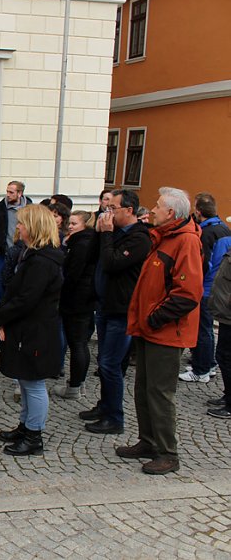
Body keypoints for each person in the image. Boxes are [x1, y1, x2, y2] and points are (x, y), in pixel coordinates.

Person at [117, 187, 203, 475]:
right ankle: (149, 441)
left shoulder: (185, 241)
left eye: (157, 206)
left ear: (171, 213)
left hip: (165, 332)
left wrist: (154, 319)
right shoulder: (164, 236)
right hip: (150, 329)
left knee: (160, 393)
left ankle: (168, 453)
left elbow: (188, 293)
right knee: (144, 389)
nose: (152, 210)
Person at [0, 204, 64, 456]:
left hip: (35, 331)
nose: (19, 227)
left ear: (33, 227)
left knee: (33, 384)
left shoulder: (42, 261)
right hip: (27, 328)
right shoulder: (34, 255)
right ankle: (25, 426)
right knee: (24, 380)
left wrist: (0, 317)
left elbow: (26, 299)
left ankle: (34, 436)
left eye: (22, 223)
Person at [80, 189, 151, 435]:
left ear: (129, 210)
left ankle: (115, 417)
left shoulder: (139, 238)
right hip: (105, 305)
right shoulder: (115, 232)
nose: (108, 212)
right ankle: (104, 406)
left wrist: (108, 234)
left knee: (111, 364)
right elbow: (92, 258)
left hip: (122, 309)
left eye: (113, 208)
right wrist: (98, 233)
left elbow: (112, 263)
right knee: (105, 361)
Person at [180, 192, 231, 383]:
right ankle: (208, 363)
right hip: (218, 288)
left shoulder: (206, 233)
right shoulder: (224, 228)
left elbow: (203, 264)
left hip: (206, 288)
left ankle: (201, 369)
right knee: (207, 329)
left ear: (199, 211)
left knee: (201, 329)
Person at [53, 210, 98, 399]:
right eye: (69, 223)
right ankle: (78, 383)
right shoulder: (83, 241)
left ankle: (75, 385)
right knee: (79, 343)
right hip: (82, 299)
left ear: (85, 225)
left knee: (77, 343)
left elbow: (72, 274)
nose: (70, 227)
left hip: (77, 300)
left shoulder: (82, 244)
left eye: (74, 224)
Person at [0, 181, 31, 304]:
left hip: (23, 252)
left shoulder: (29, 208)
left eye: (11, 192)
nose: (8, 195)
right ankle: (0, 304)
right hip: (5, 252)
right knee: (1, 281)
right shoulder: (0, 207)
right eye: (7, 191)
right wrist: (0, 244)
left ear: (20, 193)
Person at [207, 240, 231, 418]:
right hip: (225, 314)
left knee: (226, 356)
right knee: (223, 355)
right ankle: (228, 394)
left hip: (229, 314)